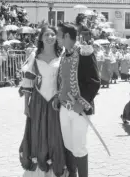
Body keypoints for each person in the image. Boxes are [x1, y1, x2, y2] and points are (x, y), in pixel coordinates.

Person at [18, 26, 67, 177]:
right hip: (38, 100)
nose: (50, 37)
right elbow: (28, 81)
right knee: (38, 132)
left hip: (56, 100)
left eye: (53, 34)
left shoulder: (63, 55)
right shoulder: (35, 56)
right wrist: (26, 105)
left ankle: (56, 166)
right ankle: (39, 167)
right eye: (46, 34)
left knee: (55, 133)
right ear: (40, 38)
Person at [55, 22, 100, 177]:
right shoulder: (63, 54)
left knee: (79, 147)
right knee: (68, 145)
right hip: (64, 107)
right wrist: (58, 96)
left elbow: (94, 81)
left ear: (67, 36)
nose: (57, 39)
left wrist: (81, 103)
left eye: (59, 35)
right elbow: (62, 80)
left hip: (79, 109)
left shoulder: (84, 52)